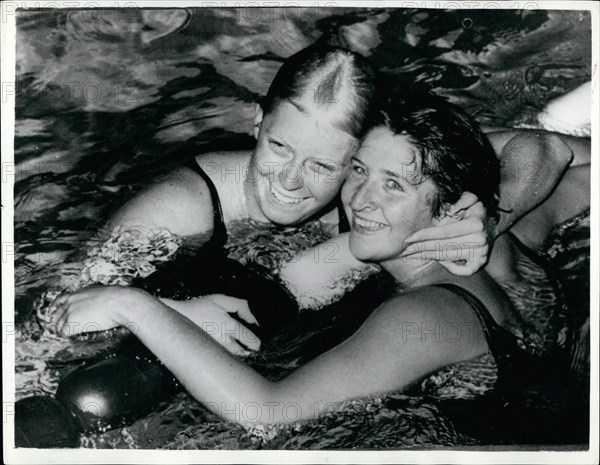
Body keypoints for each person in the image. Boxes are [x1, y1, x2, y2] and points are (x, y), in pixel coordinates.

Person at [54, 91, 545, 426]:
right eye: (358, 170)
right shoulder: (488, 247)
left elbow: (265, 414)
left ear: (457, 208)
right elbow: (282, 288)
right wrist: (180, 312)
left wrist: (132, 306)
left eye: (393, 184)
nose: (361, 200)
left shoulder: (423, 314)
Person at [99, 43, 578, 278]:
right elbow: (58, 332)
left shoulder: (368, 175)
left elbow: (548, 147)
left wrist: (494, 215)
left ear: (360, 159)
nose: (288, 180)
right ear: (256, 122)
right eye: (278, 146)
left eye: (322, 166)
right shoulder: (176, 212)